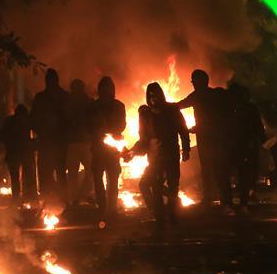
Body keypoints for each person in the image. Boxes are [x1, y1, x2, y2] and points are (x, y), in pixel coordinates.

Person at [128, 82, 191, 229]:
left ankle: (173, 214)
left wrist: (186, 149)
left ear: (160, 95)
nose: (152, 98)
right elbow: (143, 138)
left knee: (173, 184)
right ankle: (159, 218)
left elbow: (183, 130)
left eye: (155, 95)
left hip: (171, 154)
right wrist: (133, 151)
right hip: (155, 157)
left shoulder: (172, 110)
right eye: (149, 95)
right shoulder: (145, 115)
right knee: (155, 187)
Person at [177, 69, 232, 210]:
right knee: (218, 169)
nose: (193, 84)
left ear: (200, 82)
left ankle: (211, 199)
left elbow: (180, 105)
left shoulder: (199, 95)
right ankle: (225, 199)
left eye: (194, 81)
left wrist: (164, 107)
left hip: (208, 138)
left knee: (209, 169)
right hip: (216, 137)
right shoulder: (214, 94)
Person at [87, 76, 127, 221]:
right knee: (98, 179)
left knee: (113, 179)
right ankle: (102, 207)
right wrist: (97, 129)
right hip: (98, 148)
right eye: (103, 88)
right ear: (99, 90)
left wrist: (108, 128)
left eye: (108, 88)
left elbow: (122, 125)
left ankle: (112, 208)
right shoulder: (93, 106)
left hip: (112, 148)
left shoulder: (118, 106)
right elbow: (88, 126)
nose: (106, 91)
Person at [31, 68, 69, 204]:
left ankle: (53, 200)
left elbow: (33, 119)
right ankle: (58, 201)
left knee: (51, 172)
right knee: (55, 173)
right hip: (52, 141)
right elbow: (34, 119)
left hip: (53, 141)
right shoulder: (62, 96)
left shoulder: (43, 97)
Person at [227, 82, 265, 212]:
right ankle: (240, 202)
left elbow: (258, 126)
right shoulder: (232, 108)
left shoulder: (246, 108)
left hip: (243, 146)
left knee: (243, 174)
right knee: (241, 174)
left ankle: (240, 202)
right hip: (240, 146)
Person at [65, 79, 93, 207]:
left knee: (76, 172)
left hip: (79, 142)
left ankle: (79, 195)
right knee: (85, 170)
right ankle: (82, 195)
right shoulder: (87, 102)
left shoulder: (72, 102)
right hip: (80, 142)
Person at [2, 104, 35, 203]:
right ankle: (29, 197)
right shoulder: (27, 120)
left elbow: (4, 135)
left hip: (13, 152)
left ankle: (17, 199)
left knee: (15, 177)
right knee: (28, 176)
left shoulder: (9, 121)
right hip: (24, 152)